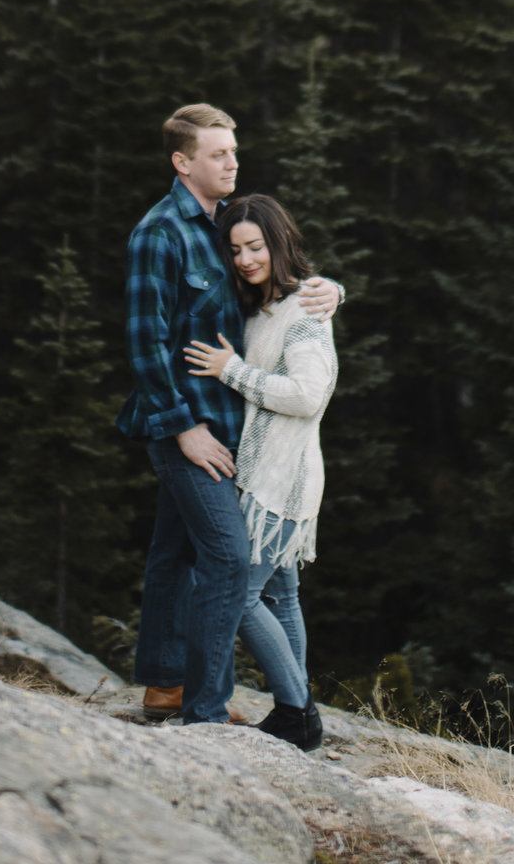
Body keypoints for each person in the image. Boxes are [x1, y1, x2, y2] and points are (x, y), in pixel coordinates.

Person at [118, 104, 342, 727]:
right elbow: (144, 340)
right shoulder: (160, 232)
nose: (232, 162)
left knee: (173, 557)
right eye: (218, 154)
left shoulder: (220, 227)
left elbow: (272, 288)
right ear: (182, 162)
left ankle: (166, 688)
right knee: (225, 559)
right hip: (189, 428)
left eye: (234, 152)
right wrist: (183, 428)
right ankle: (207, 712)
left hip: (228, 429)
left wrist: (328, 290)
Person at [184, 193, 336, 751]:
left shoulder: (305, 315)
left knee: (239, 594)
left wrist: (235, 372)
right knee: (281, 594)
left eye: (256, 246)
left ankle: (299, 713)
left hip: (281, 481)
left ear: (279, 242)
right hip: (269, 475)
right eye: (236, 249)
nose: (246, 258)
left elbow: (309, 395)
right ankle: (296, 711)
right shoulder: (261, 308)